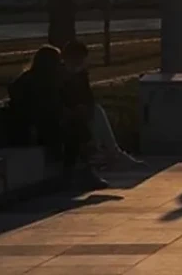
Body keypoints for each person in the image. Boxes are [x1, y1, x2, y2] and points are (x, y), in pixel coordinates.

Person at [8, 44, 107, 189]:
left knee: (78, 125)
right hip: (34, 129)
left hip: (35, 126)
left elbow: (56, 105)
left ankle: (81, 171)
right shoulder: (42, 82)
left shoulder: (33, 79)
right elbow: (47, 108)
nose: (61, 65)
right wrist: (70, 113)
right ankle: (79, 172)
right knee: (76, 130)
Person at [61, 40, 142, 171]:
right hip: (66, 113)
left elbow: (88, 97)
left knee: (96, 111)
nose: (79, 63)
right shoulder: (61, 75)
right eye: (77, 59)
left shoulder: (80, 74)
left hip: (79, 111)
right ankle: (111, 153)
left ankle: (108, 152)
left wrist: (85, 107)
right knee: (95, 113)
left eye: (81, 59)